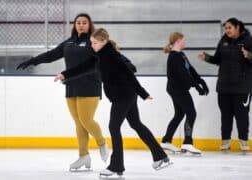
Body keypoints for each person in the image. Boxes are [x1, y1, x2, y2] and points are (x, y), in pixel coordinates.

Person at [54, 28, 172, 177]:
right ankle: (160, 156)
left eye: (95, 43)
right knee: (136, 124)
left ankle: (116, 166)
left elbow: (130, 74)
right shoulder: (99, 55)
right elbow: (83, 68)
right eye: (91, 43)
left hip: (123, 95)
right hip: (125, 95)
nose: (92, 45)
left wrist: (143, 93)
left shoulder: (113, 56)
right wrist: (64, 74)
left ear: (104, 42)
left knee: (114, 127)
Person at [16, 13, 109, 170]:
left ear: (89, 25)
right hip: (71, 85)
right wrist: (33, 61)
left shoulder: (93, 42)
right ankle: (83, 156)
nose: (81, 25)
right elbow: (51, 55)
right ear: (74, 25)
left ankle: (102, 143)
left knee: (86, 120)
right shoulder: (69, 42)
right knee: (79, 123)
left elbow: (96, 63)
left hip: (89, 85)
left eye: (84, 22)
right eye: (78, 22)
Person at [198, 17, 252, 152]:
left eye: (229, 28)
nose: (227, 30)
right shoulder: (223, 41)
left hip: (242, 86)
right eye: (226, 28)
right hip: (224, 85)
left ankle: (244, 142)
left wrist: (249, 55)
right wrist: (207, 57)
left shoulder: (248, 40)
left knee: (242, 116)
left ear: (237, 27)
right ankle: (225, 141)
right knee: (226, 115)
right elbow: (217, 59)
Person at [160, 32, 209, 154]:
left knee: (179, 114)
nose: (185, 42)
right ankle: (187, 142)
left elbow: (190, 70)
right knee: (191, 113)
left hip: (177, 88)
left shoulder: (181, 54)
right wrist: (197, 87)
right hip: (177, 89)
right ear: (178, 41)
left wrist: (201, 81)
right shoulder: (174, 56)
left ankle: (166, 141)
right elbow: (183, 74)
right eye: (183, 40)